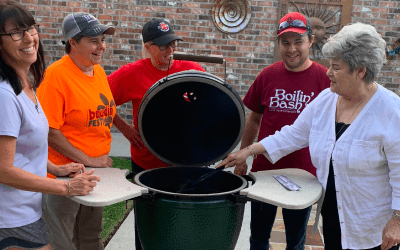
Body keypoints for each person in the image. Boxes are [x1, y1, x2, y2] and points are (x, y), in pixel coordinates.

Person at [218, 22, 400, 250]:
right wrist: (248, 151)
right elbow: (293, 135)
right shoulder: (326, 100)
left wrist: (397, 220)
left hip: (373, 231)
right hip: (334, 220)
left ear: (360, 70)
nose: (328, 72)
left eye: (336, 67)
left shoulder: (391, 112)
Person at [0, 1, 99, 250]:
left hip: (28, 209)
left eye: (31, 28)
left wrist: (56, 167)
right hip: (10, 216)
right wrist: (65, 187)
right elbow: (3, 169)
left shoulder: (26, 86)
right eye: (15, 33)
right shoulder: (4, 94)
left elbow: (23, 146)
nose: (28, 38)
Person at [231, 12, 330, 250]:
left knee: (295, 240)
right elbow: (254, 118)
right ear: (279, 44)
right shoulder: (268, 75)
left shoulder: (325, 79)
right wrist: (244, 156)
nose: (291, 49)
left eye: (298, 41)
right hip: (265, 170)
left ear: (310, 42)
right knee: (258, 237)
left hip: (303, 173)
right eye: (285, 42)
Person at [107, 18, 205, 250]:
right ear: (148, 47)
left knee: (180, 223)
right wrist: (123, 127)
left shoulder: (191, 69)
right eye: (163, 46)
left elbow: (209, 103)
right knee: (147, 223)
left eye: (173, 44)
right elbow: (98, 99)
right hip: (146, 162)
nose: (170, 51)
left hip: (185, 163)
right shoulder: (130, 74)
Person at [36, 12, 116, 250]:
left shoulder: (97, 70)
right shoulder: (56, 76)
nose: (101, 46)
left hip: (94, 171)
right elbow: (49, 131)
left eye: (103, 39)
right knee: (62, 239)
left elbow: (105, 109)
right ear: (72, 42)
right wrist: (89, 159)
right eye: (94, 40)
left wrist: (126, 129)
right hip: (63, 174)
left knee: (91, 235)